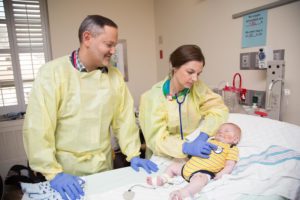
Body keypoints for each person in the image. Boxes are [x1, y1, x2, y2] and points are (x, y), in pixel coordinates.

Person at [23, 15, 158, 200]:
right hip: (65, 174)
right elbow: (38, 127)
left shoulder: (114, 77)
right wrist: (53, 173)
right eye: (108, 45)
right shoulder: (52, 73)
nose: (113, 51)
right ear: (87, 38)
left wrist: (133, 154)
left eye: (114, 45)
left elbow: (124, 120)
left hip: (103, 168)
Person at [139, 44, 229, 160]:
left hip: (193, 155)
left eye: (198, 73)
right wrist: (186, 147)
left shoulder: (197, 88)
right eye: (190, 72)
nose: (195, 79)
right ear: (174, 67)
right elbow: (156, 139)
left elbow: (218, 109)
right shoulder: (152, 98)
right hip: (162, 158)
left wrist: (203, 135)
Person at [147, 122, 241, 200]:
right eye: (219, 130)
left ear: (235, 139)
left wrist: (221, 174)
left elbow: (230, 164)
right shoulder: (210, 140)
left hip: (203, 172)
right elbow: (195, 149)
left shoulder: (231, 148)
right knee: (173, 166)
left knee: (200, 180)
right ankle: (163, 178)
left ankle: (184, 193)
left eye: (227, 131)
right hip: (187, 167)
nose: (221, 132)